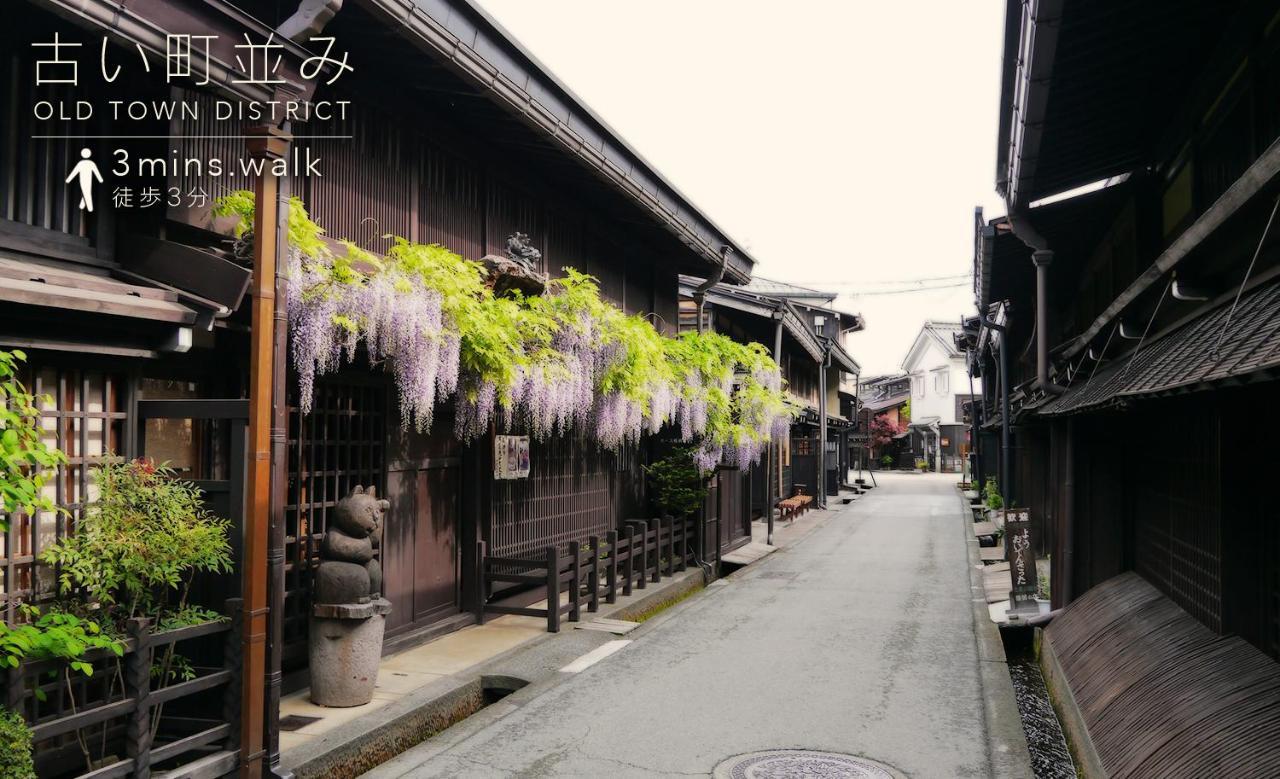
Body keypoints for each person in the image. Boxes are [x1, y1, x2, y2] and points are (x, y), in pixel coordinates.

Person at [65, 148, 103, 212]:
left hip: (83, 179)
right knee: (86, 191)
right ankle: (89, 207)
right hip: (88, 179)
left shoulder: (81, 163)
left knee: (86, 191)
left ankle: (85, 206)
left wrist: (68, 179)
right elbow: (96, 172)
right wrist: (100, 179)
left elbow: (74, 172)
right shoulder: (91, 163)